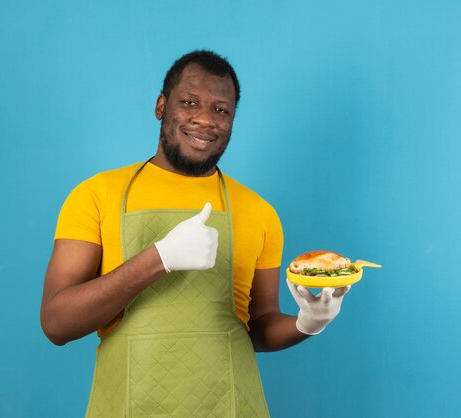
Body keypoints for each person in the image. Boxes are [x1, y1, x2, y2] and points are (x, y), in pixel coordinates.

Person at [40, 50, 351, 417]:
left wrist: (307, 324)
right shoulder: (96, 195)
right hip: (128, 406)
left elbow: (260, 326)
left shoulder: (258, 211)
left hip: (231, 406)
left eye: (221, 110)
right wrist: (159, 259)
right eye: (190, 103)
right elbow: (57, 323)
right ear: (160, 106)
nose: (205, 119)